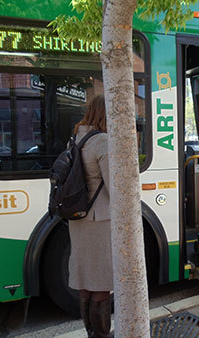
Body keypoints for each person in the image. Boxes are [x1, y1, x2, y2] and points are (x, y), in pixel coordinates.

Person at [68, 95, 113, 337]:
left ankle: (92, 333)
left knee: (86, 280)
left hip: (78, 219)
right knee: (102, 283)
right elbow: (115, 188)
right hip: (99, 221)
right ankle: (102, 334)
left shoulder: (77, 138)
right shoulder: (103, 142)